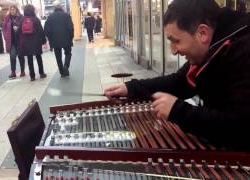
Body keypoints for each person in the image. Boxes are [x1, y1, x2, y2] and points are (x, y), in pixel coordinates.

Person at [104, 0, 250, 151]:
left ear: (202, 33)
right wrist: (130, 88)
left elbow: (240, 129)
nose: (173, 51)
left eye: (176, 41)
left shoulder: (244, 51)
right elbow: (180, 82)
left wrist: (177, 111)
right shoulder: (216, 44)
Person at [44, 2, 74, 77]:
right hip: (66, 39)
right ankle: (66, 66)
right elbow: (71, 28)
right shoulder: (67, 15)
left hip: (55, 40)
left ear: (54, 8)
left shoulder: (50, 17)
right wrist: (71, 37)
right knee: (68, 53)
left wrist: (50, 39)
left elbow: (46, 30)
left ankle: (62, 72)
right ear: (61, 7)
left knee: (58, 56)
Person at [18, 5, 47, 81]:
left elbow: (18, 32)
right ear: (32, 10)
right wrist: (44, 41)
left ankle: (32, 76)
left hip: (26, 42)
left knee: (29, 59)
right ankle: (41, 73)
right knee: (38, 57)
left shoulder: (22, 19)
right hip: (36, 41)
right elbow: (41, 31)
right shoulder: (36, 19)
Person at [2, 5, 25, 79]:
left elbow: (24, 27)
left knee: (21, 56)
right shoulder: (7, 18)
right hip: (11, 41)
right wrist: (6, 38)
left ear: (16, 9)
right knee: (12, 56)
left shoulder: (21, 17)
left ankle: (22, 70)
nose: (12, 11)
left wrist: (18, 28)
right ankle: (13, 72)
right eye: (11, 9)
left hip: (20, 40)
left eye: (13, 9)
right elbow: (4, 28)